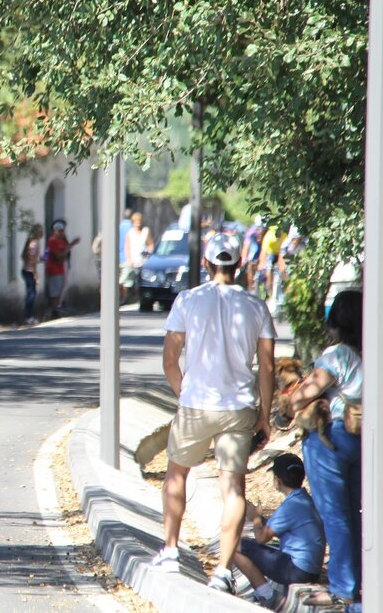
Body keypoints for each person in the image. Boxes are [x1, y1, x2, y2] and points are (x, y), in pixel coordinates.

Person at [150, 233, 276, 594]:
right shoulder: (256, 306)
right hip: (238, 407)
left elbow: (169, 360)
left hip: (196, 403)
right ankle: (222, 571)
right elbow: (267, 367)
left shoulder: (188, 300)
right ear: (239, 265)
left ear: (206, 264)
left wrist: (184, 393)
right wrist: (265, 414)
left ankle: (170, 550)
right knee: (233, 487)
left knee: (177, 473)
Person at [285, 290, 362, 607]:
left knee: (335, 515)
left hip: (331, 439)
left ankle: (342, 587)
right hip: (362, 437)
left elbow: (300, 397)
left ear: (335, 322)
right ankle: (359, 581)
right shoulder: (371, 351)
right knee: (356, 513)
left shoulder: (338, 355)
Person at [234, 453, 324, 609]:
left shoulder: (290, 506)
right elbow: (275, 529)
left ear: (277, 480)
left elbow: (262, 538)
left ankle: (267, 595)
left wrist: (255, 518)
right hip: (312, 569)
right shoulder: (305, 500)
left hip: (297, 570)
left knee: (235, 546)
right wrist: (260, 519)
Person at [43, 220, 81, 320]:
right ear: (54, 231)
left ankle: (56, 309)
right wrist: (68, 248)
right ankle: (53, 311)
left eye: (62, 231)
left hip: (60, 269)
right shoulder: (52, 241)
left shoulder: (62, 241)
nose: (61, 233)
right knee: (54, 292)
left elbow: (64, 254)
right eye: (59, 231)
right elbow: (59, 257)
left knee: (59, 291)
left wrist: (70, 245)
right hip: (53, 269)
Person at [120, 212, 153, 304]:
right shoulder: (130, 233)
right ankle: (124, 299)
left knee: (141, 281)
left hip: (143, 261)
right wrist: (129, 259)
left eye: (139, 221)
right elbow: (127, 247)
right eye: (136, 221)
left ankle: (140, 299)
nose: (138, 223)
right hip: (133, 260)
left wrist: (148, 254)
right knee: (126, 281)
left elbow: (150, 244)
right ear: (133, 222)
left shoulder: (145, 231)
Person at [21, 224, 44, 324]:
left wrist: (40, 259)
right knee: (31, 294)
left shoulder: (32, 243)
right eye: (40, 231)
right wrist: (36, 275)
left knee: (30, 293)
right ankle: (28, 316)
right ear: (36, 233)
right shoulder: (34, 244)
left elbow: (30, 258)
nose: (42, 233)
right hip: (30, 271)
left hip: (27, 270)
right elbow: (32, 261)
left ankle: (28, 316)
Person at [118, 208, 133, 302]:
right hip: (127, 258)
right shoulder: (131, 228)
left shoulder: (119, 226)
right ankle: (123, 299)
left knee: (121, 279)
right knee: (125, 282)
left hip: (118, 257)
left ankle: (120, 298)